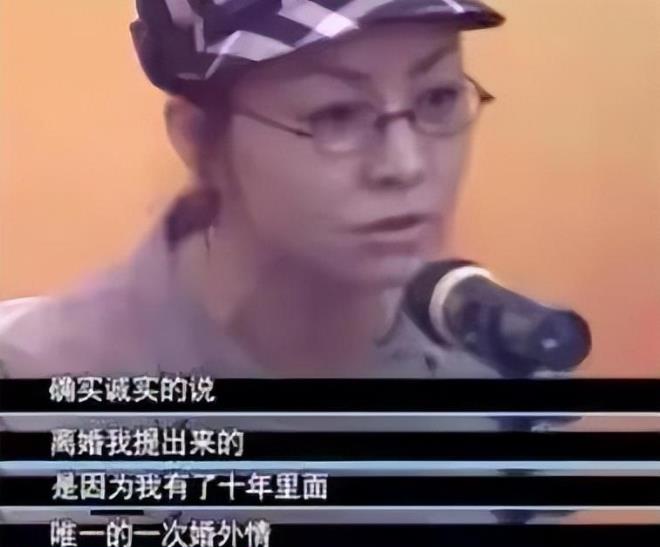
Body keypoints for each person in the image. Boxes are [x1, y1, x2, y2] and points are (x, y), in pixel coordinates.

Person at [0, 0, 507, 378]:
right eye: (336, 114)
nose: (406, 165)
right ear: (198, 138)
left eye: (438, 98)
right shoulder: (35, 384)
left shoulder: (503, 376)